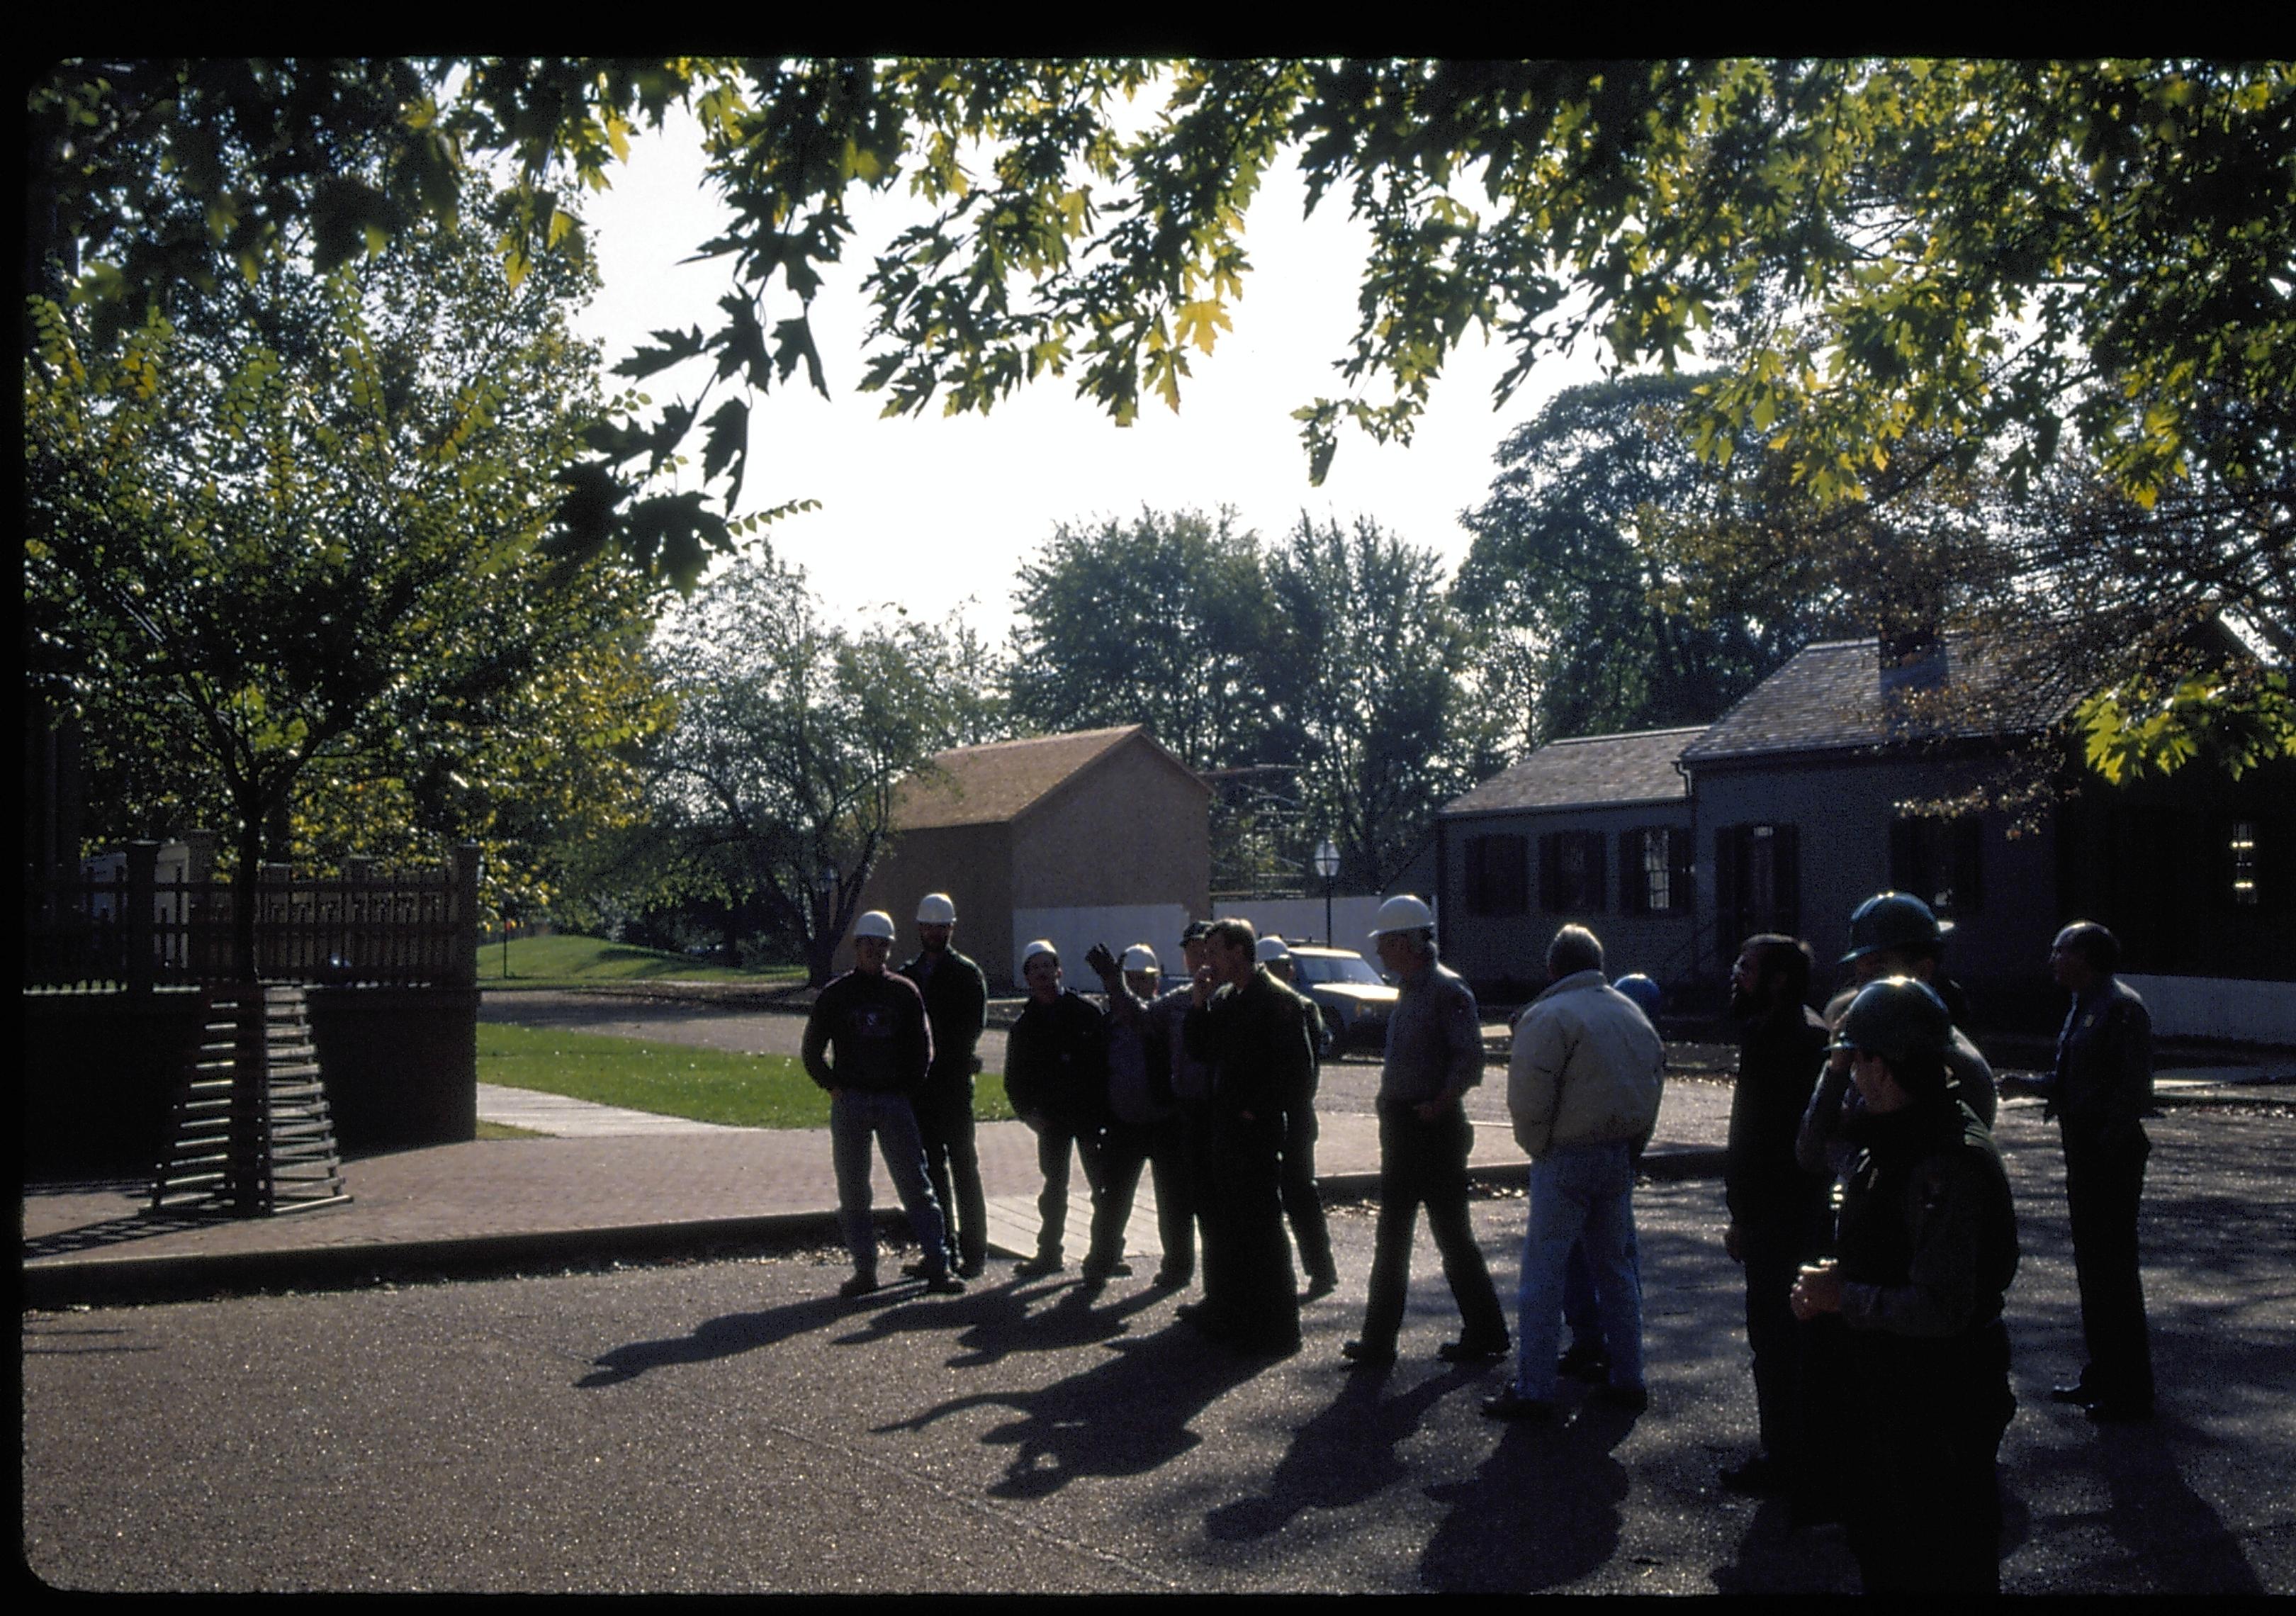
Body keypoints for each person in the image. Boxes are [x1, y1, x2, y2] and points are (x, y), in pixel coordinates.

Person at [1789, 976, 2019, 1594]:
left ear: (1883, 1067)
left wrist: (1847, 1297)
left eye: (1857, 1061)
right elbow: (1812, 1149)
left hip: (1941, 1392)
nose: (1851, 1076)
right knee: (1883, 1548)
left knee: (1940, 1560)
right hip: (1891, 1387)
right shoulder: (1889, 1130)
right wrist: (1838, 1066)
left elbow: (1942, 1308)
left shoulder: (1942, 1159)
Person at [1485, 924, 1664, 1422]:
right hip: (1618, 1152)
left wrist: (1538, 1145)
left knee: (1544, 1274)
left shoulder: (1550, 1015)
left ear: (1553, 967)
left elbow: (1529, 1097)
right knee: (1617, 1270)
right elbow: (1653, 1084)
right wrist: (1634, 1147)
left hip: (1565, 1153)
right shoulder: (1631, 1012)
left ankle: (1535, 1386)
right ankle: (1629, 1375)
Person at [1342, 895, 1511, 1369]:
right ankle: (1387, 1340)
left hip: (1430, 1130)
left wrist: (1439, 1104)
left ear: (1405, 942)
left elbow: (1470, 1058)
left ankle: (1483, 1331)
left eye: (1384, 943)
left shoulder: (1446, 991)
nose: (1378, 952)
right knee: (1399, 1235)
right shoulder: (1415, 988)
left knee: (1446, 1236)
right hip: (1407, 1127)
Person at [1718, 935, 1831, 1500]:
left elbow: (1762, 1139)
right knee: (1793, 1336)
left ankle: (1783, 1453)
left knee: (1776, 1336)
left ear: (1779, 978)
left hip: (1778, 1211)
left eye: (1749, 966)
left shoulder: (1782, 1037)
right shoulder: (1800, 1030)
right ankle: (1800, 1449)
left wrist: (1744, 1214)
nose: (1738, 973)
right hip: (1793, 1206)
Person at [801, 910, 963, 1298]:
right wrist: (833, 1087)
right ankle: (864, 1270)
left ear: (890, 949)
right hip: (851, 1100)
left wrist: (907, 1087)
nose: (875, 952)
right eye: (868, 945)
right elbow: (811, 1051)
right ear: (857, 947)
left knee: (916, 1186)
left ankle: (938, 1266)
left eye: (882, 946)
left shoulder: (904, 992)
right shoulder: (836, 995)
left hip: (893, 1101)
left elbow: (924, 1049)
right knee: (854, 1189)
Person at [2035, 921, 2156, 1422]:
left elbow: (2131, 1090)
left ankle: (2130, 1388)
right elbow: (2076, 1076)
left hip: (2109, 1155)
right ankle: (2102, 1373)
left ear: (2085, 956)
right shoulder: (2083, 1003)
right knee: (2093, 1271)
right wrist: (2036, 1085)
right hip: (2083, 1152)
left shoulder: (2120, 1006)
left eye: (2059, 949)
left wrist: (2105, 1146)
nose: (2052, 959)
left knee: (2114, 1273)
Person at [1181, 917, 1310, 1354]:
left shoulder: (1278, 1001)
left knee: (1262, 1232)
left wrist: (1259, 1110)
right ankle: (1235, 1313)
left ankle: (1278, 1328)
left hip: (1256, 1134)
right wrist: (1198, 1003)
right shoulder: (1226, 999)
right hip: (1225, 1131)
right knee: (1229, 1230)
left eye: (1215, 951)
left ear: (1239, 951)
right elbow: (1200, 1051)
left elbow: (1298, 1074)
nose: (1208, 960)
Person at [1083, 941, 1193, 1289]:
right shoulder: (1106, 1025)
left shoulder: (1162, 1015)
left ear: (1155, 983)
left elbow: (1141, 1019)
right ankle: (1102, 1258)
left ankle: (1177, 1266)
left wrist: (1117, 985)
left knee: (1174, 1202)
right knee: (1112, 1200)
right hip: (1122, 1124)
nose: (1136, 985)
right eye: (1129, 978)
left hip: (1165, 1121)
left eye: (1142, 979)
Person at [1003, 939, 1110, 1278]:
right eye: (1035, 969)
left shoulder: (1086, 1013)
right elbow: (1014, 1078)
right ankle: (1050, 1254)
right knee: (1053, 1190)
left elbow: (1107, 1063)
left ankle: (1107, 1253)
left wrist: (1106, 1109)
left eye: (1048, 966)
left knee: (1103, 1187)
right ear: (1027, 977)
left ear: (1059, 970)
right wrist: (1028, 1114)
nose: (1043, 974)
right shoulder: (1024, 1027)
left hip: (1089, 1115)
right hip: (1051, 1121)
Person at [896, 893, 990, 1279]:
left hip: (953, 1086)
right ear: (920, 928)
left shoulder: (968, 974)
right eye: (929, 926)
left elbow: (973, 1027)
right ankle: (940, 1251)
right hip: (921, 1089)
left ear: (952, 928)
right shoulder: (908, 974)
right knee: (931, 1171)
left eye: (942, 926)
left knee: (965, 1167)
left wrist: (947, 1057)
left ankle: (974, 1251)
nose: (935, 932)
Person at [1256, 934, 1339, 1298]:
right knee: (1293, 1196)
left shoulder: (1299, 1009)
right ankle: (1306, 1270)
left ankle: (1320, 1269)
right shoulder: (1296, 1006)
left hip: (1294, 1116)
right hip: (1287, 1116)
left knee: (1300, 1195)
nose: (1279, 973)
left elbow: (1305, 1070)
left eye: (1281, 967)